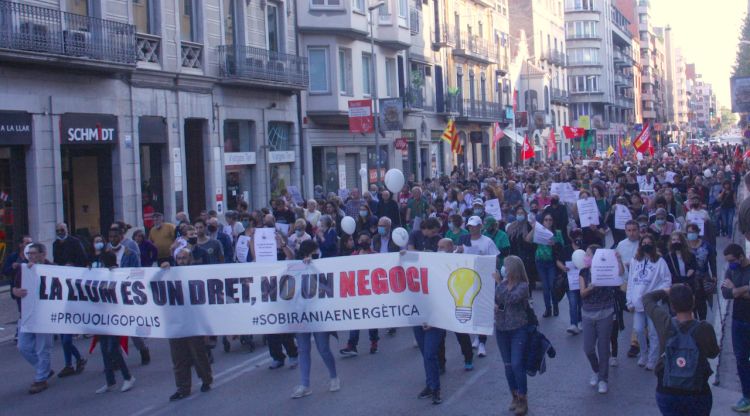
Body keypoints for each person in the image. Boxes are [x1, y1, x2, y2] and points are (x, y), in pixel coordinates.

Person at [643, 285, 719, 416]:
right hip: (697, 391)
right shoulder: (704, 328)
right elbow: (713, 353)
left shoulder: (664, 322)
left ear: (672, 306)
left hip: (667, 390)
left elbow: (646, 298)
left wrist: (666, 291)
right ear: (693, 301)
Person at [292, 240, 340, 398]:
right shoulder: (297, 265)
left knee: (323, 348)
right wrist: (303, 265)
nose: (317, 252)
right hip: (301, 313)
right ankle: (305, 384)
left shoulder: (322, 264)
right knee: (303, 350)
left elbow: (328, 284)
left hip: (318, 313)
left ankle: (334, 377)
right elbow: (289, 272)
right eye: (314, 251)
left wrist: (313, 266)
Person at [164, 248, 213, 401]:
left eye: (184, 258)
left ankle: (206, 380)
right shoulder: (169, 274)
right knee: (178, 358)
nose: (181, 261)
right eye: (178, 258)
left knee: (198, 354)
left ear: (190, 259)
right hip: (175, 323)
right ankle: (183, 387)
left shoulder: (196, 274)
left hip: (193, 322)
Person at [579, 245, 623, 394]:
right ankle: (596, 370)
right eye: (586, 254)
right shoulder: (584, 272)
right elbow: (582, 293)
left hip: (605, 312)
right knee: (588, 348)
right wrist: (591, 287)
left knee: (603, 348)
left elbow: (620, 275)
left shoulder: (607, 270)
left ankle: (603, 378)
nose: (586, 257)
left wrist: (618, 260)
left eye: (589, 254)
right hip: (588, 313)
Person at [12, 243, 55, 394]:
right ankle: (43, 369)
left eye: (34, 253)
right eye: (29, 253)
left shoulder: (52, 269)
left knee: (43, 348)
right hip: (27, 314)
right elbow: (14, 288)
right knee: (23, 346)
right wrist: (16, 292)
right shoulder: (24, 270)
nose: (31, 256)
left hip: (45, 315)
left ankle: (40, 378)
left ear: (43, 254)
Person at [626, 235, 672, 370]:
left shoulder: (660, 261)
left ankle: (652, 359)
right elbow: (630, 281)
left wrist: (656, 294)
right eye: (643, 243)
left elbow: (667, 281)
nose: (646, 245)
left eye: (649, 243)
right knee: (639, 330)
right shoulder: (635, 260)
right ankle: (643, 354)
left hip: (653, 304)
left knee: (653, 332)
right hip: (637, 303)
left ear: (653, 245)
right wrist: (629, 300)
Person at [94, 251, 136, 394]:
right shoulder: (100, 275)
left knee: (113, 349)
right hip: (104, 317)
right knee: (105, 350)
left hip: (117, 317)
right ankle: (110, 381)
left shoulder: (120, 273)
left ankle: (128, 377)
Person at [495, 256, 531, 416]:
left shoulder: (523, 286)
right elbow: (498, 300)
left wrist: (498, 283)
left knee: (517, 364)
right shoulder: (502, 285)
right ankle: (514, 395)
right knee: (508, 365)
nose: (503, 269)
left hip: (518, 329)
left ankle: (523, 398)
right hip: (502, 329)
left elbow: (511, 298)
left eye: (505, 266)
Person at [720, 243, 750, 412]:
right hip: (738, 320)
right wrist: (745, 289)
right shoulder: (731, 270)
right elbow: (725, 292)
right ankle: (746, 396)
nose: (730, 264)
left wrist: (736, 290)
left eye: (732, 260)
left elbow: (732, 291)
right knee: (741, 359)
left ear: (740, 256)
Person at [526, 212, 565, 317]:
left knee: (552, 285)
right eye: (546, 220)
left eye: (550, 220)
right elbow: (528, 239)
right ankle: (548, 308)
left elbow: (562, 246)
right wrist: (534, 228)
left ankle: (555, 306)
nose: (548, 222)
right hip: (540, 261)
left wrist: (555, 243)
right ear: (542, 221)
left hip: (551, 262)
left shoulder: (557, 232)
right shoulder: (539, 231)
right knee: (545, 286)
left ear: (553, 221)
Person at [686, 223, 715, 320]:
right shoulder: (685, 247)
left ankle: (703, 321)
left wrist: (714, 275)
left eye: (693, 232)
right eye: (689, 232)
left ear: (698, 232)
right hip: (690, 280)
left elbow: (712, 261)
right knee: (691, 303)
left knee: (702, 303)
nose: (691, 234)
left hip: (703, 279)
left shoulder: (706, 245)